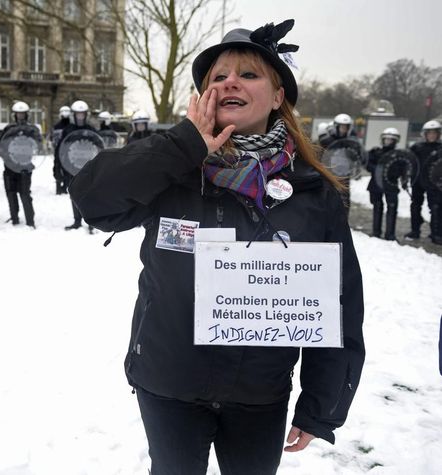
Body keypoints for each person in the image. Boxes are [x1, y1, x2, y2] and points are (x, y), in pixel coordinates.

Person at [70, 19, 364, 475]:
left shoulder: (314, 191)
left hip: (259, 393)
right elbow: (93, 200)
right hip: (169, 383)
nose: (230, 82)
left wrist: (321, 405)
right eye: (218, 77)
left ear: (279, 95)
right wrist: (184, 144)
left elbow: (340, 304)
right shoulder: (172, 168)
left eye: (248, 74)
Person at [57, 100, 97, 233]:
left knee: (89, 195)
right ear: (74, 115)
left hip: (87, 168)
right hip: (71, 167)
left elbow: (97, 147)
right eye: (78, 114)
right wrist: (60, 168)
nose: (80, 117)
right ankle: (77, 220)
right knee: (74, 195)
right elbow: (61, 149)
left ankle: (91, 221)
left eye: (82, 114)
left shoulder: (91, 129)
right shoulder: (67, 130)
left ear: (86, 115)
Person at [0, 101, 40, 228]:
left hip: (25, 166)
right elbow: (1, 145)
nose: (20, 116)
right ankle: (14, 218)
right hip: (10, 165)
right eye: (18, 114)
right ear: (14, 115)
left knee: (25, 193)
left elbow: (38, 144)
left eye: (22, 114)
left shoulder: (32, 129)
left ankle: (30, 220)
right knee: (11, 193)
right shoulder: (8, 129)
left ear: (27, 115)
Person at [319, 113, 364, 213]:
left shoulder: (352, 141)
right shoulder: (327, 138)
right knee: (327, 199)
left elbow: (357, 156)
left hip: (344, 175)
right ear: (336, 126)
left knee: (344, 201)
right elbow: (322, 147)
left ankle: (343, 224)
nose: (344, 129)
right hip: (328, 174)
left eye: (346, 127)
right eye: (342, 127)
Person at [406, 120, 442, 242]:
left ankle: (436, 234)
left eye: (434, 133)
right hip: (418, 181)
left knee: (436, 208)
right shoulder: (417, 147)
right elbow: (408, 162)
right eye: (429, 133)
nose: (432, 135)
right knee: (415, 206)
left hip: (434, 184)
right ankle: (415, 231)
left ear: (438, 134)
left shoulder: (441, 148)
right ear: (425, 134)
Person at [367, 127, 404, 240]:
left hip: (391, 185)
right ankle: (376, 232)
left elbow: (401, 169)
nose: (388, 141)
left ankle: (390, 234)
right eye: (386, 139)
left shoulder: (399, 155)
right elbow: (368, 164)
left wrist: (390, 171)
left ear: (395, 141)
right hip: (376, 184)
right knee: (377, 206)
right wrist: (378, 169)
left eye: (390, 140)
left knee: (392, 208)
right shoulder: (375, 152)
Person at [52, 105, 72, 194]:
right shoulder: (69, 126)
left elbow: (54, 140)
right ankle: (62, 187)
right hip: (64, 151)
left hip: (62, 151)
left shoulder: (58, 126)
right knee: (60, 169)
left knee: (60, 169)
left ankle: (61, 188)